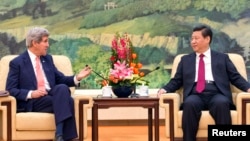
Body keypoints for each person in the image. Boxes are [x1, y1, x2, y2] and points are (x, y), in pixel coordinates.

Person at [157, 24, 250, 141]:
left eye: (196, 38)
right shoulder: (185, 60)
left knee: (222, 104)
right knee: (189, 104)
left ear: (207, 39)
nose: (193, 41)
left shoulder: (222, 58)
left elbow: (235, 77)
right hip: (195, 93)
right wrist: (165, 89)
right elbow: (176, 80)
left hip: (216, 92)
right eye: (192, 38)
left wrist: (248, 88)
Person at [6, 27, 92, 141]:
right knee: (68, 101)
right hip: (33, 101)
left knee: (61, 88)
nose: (48, 45)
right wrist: (31, 93)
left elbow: (60, 79)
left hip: (51, 96)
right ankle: (65, 136)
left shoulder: (48, 59)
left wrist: (77, 78)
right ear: (35, 43)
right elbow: (10, 89)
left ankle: (60, 135)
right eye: (45, 41)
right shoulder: (17, 63)